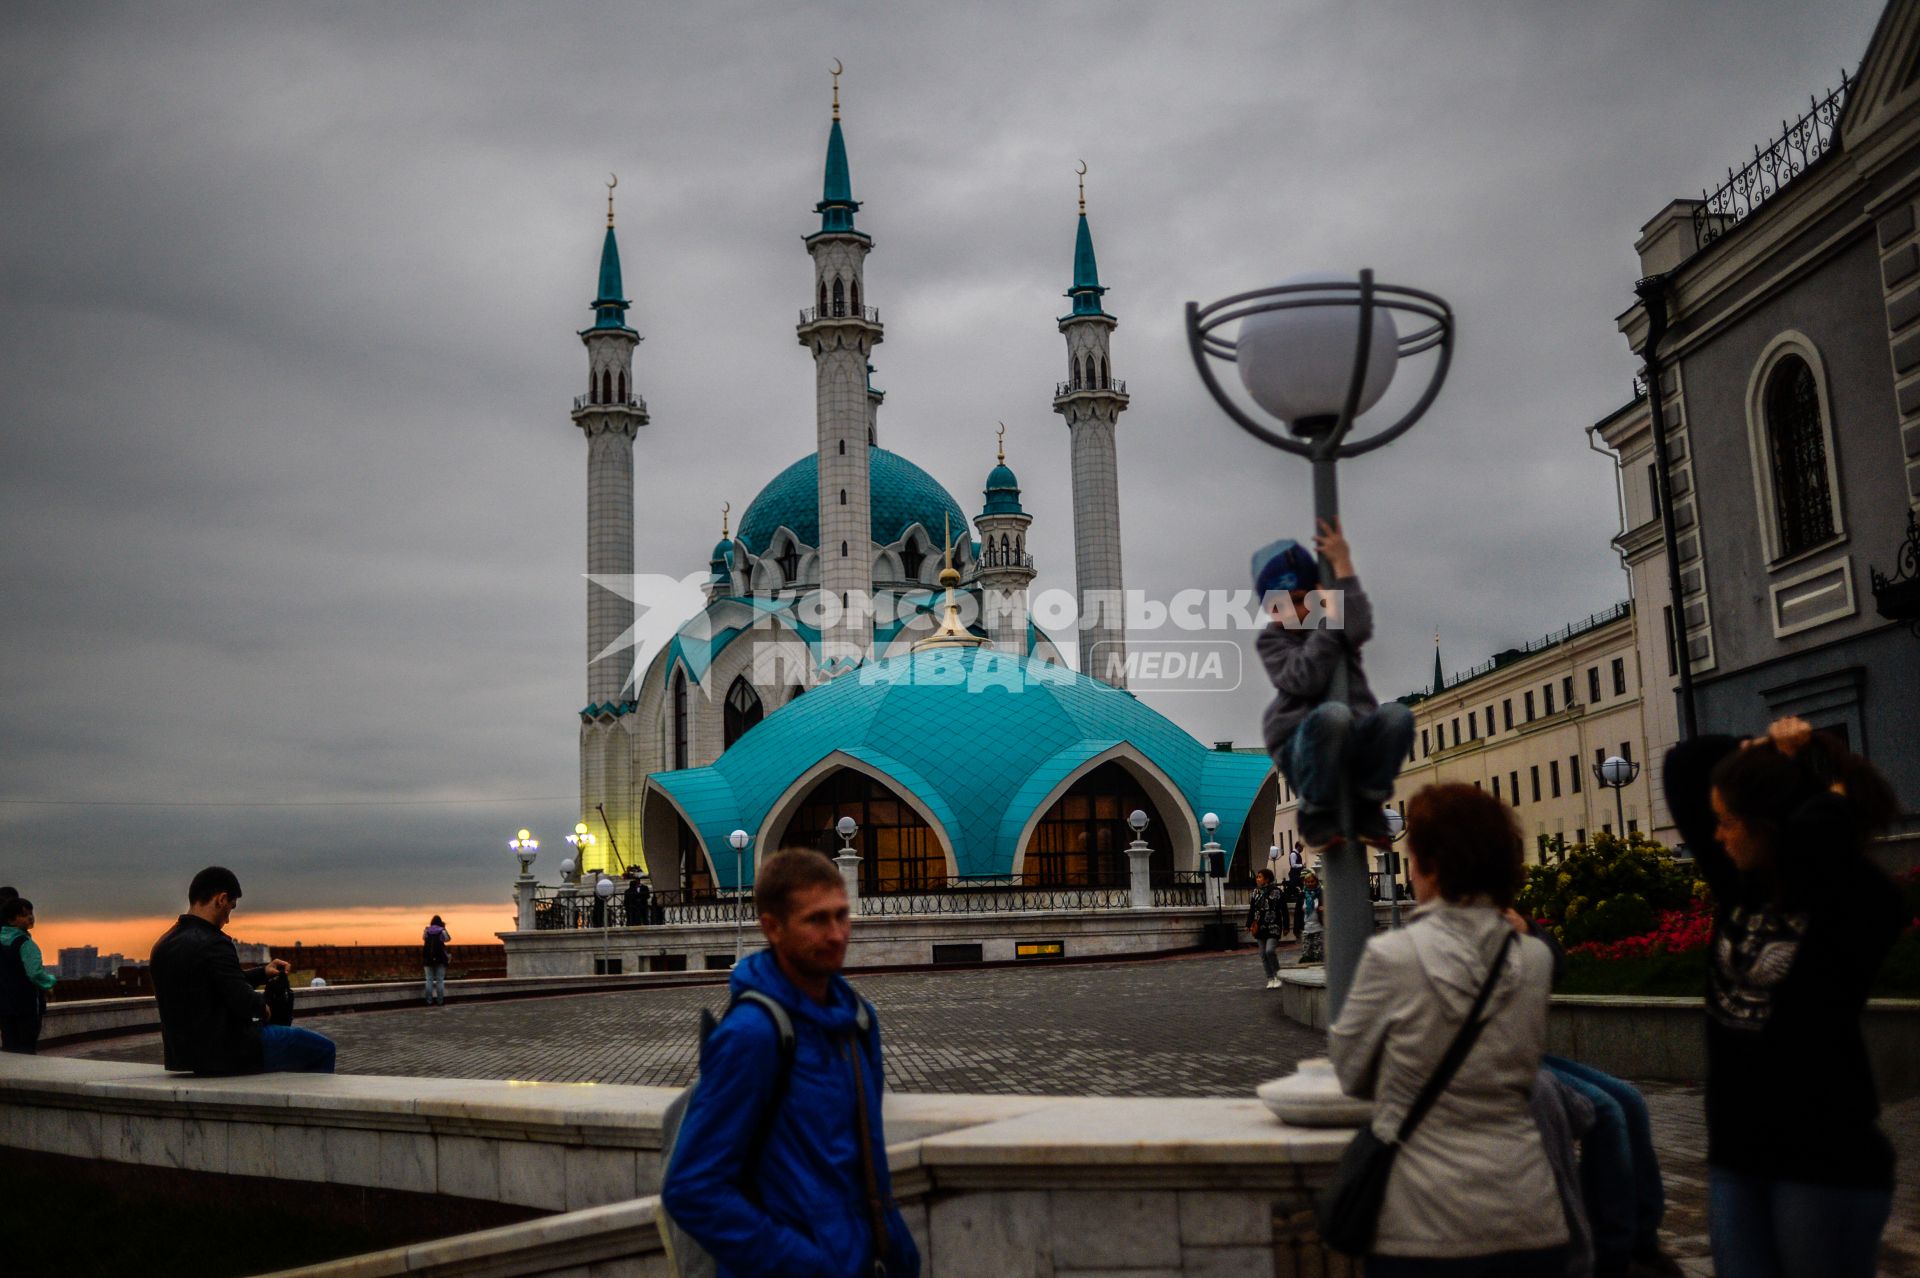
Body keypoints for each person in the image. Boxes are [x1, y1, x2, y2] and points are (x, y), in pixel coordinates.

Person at [1665, 716, 1904, 1278]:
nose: (1716, 836)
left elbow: (1820, 841)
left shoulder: (1856, 901)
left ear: (1768, 825)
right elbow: (1683, 765)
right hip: (1737, 1157)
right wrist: (1766, 751)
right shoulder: (1739, 886)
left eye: (1728, 822)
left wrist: (1795, 777)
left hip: (1822, 1162)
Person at [1327, 781, 1567, 1275]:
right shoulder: (1535, 958)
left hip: (1422, 1223)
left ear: (1431, 864)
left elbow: (1352, 1074)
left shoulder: (1392, 956)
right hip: (1529, 1211)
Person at [662, 849, 920, 1277]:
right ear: (772, 928)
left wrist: (897, 1250)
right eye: (817, 920)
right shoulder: (753, 1035)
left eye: (842, 915)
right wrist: (806, 1265)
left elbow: (862, 1159)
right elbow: (692, 1188)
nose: (837, 934)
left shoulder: (857, 1019)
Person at [1255, 519, 1414, 849]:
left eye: (1303, 598)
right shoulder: (1272, 641)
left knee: (1397, 716)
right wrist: (1330, 622)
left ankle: (1367, 804)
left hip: (1352, 737)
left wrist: (1343, 564)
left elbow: (1359, 626)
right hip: (1302, 747)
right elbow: (1306, 678)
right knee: (1332, 716)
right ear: (1269, 608)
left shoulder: (1334, 622)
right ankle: (1315, 813)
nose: (1296, 610)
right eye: (1282, 603)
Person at [150, 866, 336, 1075]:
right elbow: (243, 1000)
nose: (228, 919)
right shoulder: (214, 943)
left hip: (183, 1055)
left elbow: (219, 983)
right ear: (221, 899)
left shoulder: (163, 944)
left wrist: (263, 972)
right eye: (231, 907)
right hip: (229, 1052)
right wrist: (266, 1009)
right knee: (322, 1049)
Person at [0, 896, 56, 1053]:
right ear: (12, 920)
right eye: (24, 915)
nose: (31, 917)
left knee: (9, 1047)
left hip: (4, 1005)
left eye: (31, 913)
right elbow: (35, 973)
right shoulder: (25, 944)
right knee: (26, 1048)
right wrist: (50, 982)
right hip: (25, 1005)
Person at [1246, 869, 1288, 989]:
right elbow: (1252, 909)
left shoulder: (1277, 892)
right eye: (1257, 877)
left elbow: (1284, 910)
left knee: (1270, 951)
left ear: (1267, 879)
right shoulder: (1255, 892)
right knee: (1263, 954)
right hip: (1260, 926)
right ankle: (1270, 978)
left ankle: (1278, 975)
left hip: (1274, 925)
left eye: (1260, 877)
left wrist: (1286, 926)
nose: (1257, 879)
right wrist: (1248, 924)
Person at [422, 915, 451, 1006]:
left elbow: (423, 938)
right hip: (440, 958)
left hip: (428, 958)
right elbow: (448, 939)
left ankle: (429, 1001)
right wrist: (444, 928)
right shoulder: (442, 931)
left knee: (429, 980)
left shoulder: (426, 930)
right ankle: (440, 1001)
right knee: (440, 980)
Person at [1298, 871, 1325, 965]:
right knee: (1306, 954)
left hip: (1319, 928)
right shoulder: (1302, 895)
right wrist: (1297, 928)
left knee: (1319, 954)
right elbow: (1298, 912)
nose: (1309, 883)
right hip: (1306, 928)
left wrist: (1324, 909)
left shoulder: (1321, 894)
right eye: (1307, 882)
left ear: (1316, 882)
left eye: (1312, 881)